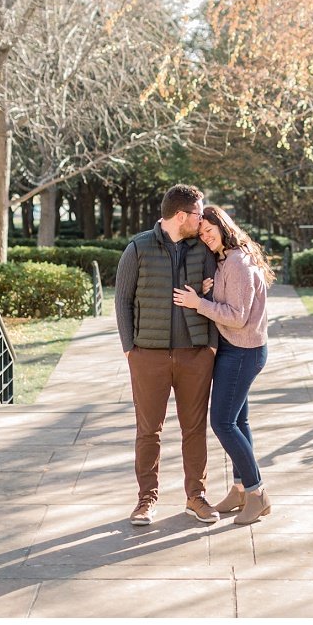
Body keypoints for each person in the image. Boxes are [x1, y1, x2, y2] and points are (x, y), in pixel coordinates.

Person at [114, 184, 220, 526]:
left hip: (195, 355)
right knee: (149, 430)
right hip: (148, 356)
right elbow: (122, 301)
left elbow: (216, 297)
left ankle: (196, 496)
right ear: (181, 216)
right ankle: (146, 500)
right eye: (198, 214)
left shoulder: (201, 250)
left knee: (195, 428)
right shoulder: (138, 247)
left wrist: (212, 345)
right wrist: (130, 349)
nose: (201, 219)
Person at [172, 205, 274, 525]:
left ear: (223, 225)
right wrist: (211, 291)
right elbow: (230, 301)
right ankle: (242, 488)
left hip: (244, 352)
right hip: (235, 348)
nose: (205, 236)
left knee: (223, 423)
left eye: (209, 229)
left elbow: (237, 316)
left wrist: (198, 303)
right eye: (202, 233)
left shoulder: (239, 263)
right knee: (239, 422)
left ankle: (258, 494)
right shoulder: (227, 259)